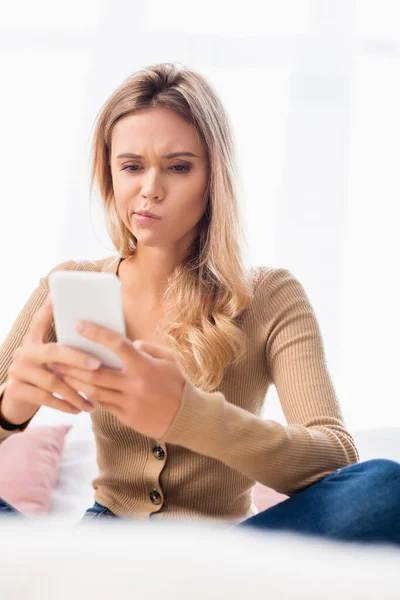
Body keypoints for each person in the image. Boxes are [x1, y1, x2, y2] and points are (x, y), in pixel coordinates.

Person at [0, 62, 399, 546]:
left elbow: (336, 459)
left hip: (228, 548)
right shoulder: (69, 285)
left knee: (386, 490)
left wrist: (188, 415)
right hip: (101, 548)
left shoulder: (271, 295)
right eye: (131, 166)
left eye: (178, 167)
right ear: (110, 173)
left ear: (214, 178)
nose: (149, 188)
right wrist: (11, 409)